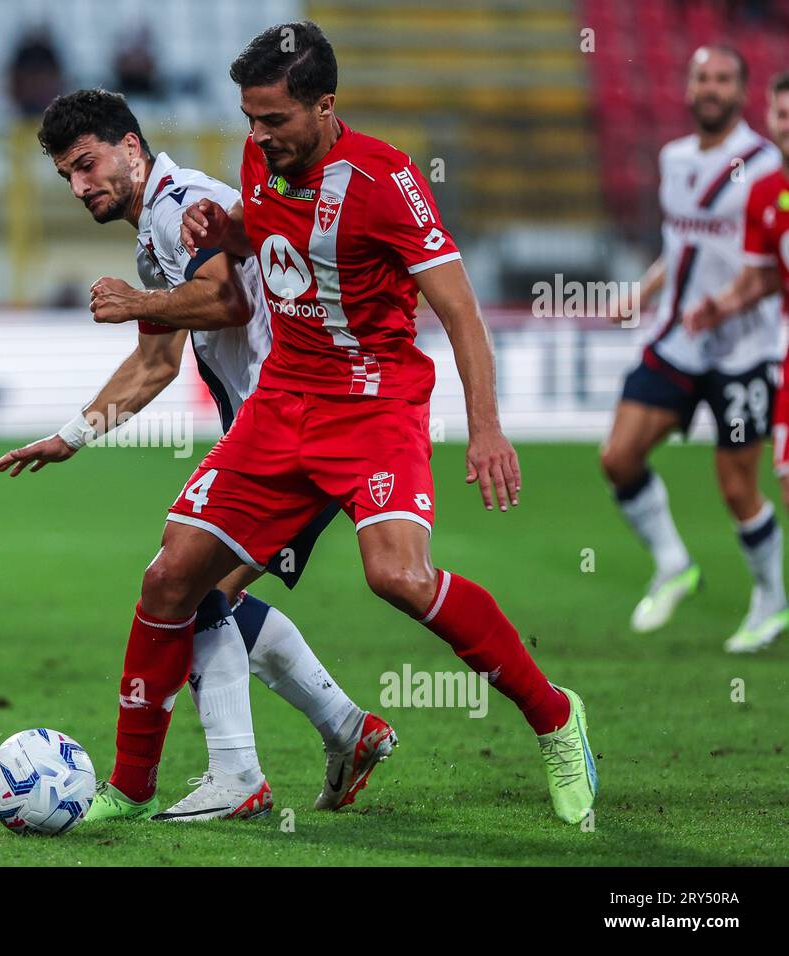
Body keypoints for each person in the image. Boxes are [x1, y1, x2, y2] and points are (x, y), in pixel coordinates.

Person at [89, 21, 595, 826]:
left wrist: (487, 427)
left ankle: (554, 717)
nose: (257, 136)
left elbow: (462, 313)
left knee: (398, 577)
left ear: (326, 107)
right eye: (249, 119)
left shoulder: (386, 180)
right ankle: (130, 786)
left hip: (374, 405)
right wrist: (229, 232)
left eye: (275, 120)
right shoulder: (263, 157)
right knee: (169, 577)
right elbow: (266, 229)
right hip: (283, 400)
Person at [0, 89, 394, 821]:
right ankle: (346, 731)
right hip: (276, 433)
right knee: (202, 593)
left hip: (299, 433)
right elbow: (155, 366)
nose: (81, 187)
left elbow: (225, 302)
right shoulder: (156, 231)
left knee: (177, 585)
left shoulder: (185, 207)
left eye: (87, 165)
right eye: (66, 177)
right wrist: (71, 437)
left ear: (132, 149)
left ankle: (237, 777)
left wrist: (138, 302)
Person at [601, 45, 785, 650]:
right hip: (679, 339)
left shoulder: (765, 165)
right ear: (687, 86)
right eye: (701, 77)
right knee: (619, 457)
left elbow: (767, 264)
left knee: (737, 487)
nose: (711, 88)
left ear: (742, 91)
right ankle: (673, 562)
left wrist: (728, 305)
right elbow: (680, 244)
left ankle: (769, 599)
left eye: (723, 79)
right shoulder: (673, 157)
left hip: (744, 349)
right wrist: (644, 292)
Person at [684, 69, 789, 652]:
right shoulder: (767, 193)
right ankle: (775, 598)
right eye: (782, 116)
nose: (787, 127)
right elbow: (763, 278)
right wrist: (718, 307)